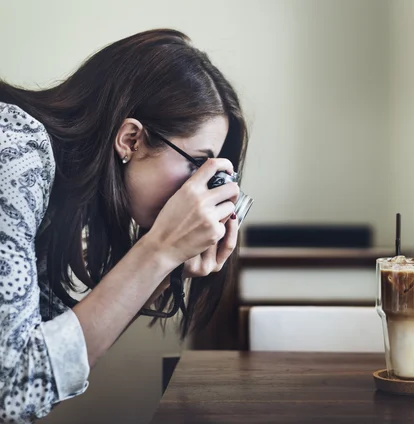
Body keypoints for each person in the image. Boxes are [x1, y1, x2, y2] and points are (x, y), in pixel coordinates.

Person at [0, 28, 247, 423]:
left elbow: (50, 353)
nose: (198, 190)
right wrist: (159, 249)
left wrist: (165, 266)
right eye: (196, 164)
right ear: (131, 139)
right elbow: (14, 388)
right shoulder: (14, 154)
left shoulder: (58, 188)